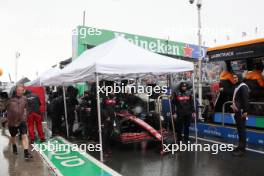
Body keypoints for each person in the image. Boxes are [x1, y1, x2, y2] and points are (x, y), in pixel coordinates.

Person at [6, 84, 33, 160]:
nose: (20, 92)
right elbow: (4, 108)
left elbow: (27, 108)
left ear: (23, 91)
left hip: (22, 120)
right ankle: (14, 146)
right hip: (12, 121)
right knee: (13, 136)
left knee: (24, 135)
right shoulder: (10, 99)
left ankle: (26, 153)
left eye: (21, 90)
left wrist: (25, 115)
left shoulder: (24, 98)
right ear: (16, 90)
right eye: (18, 90)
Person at [231, 74, 250, 157]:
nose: (234, 79)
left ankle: (242, 149)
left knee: (242, 130)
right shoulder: (238, 86)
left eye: (236, 77)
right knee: (239, 130)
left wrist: (245, 111)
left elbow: (246, 99)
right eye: (233, 77)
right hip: (237, 111)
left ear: (239, 78)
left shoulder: (243, 86)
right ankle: (240, 146)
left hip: (241, 112)